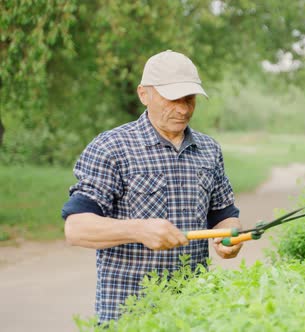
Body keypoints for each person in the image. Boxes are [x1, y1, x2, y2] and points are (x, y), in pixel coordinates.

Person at [61, 50, 242, 323]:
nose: (183, 109)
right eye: (173, 98)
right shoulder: (111, 148)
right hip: (128, 314)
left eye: (189, 99)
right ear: (144, 94)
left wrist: (231, 237)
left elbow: (223, 215)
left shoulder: (209, 150)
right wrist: (139, 229)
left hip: (194, 312)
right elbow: (76, 229)